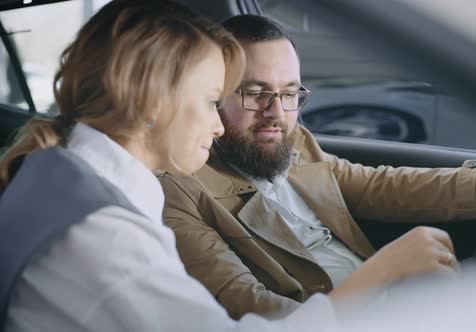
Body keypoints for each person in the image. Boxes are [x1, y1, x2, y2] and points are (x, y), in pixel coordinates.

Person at [0, 1, 401, 331]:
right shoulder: (108, 237)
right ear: (153, 101)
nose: (217, 124)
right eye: (212, 101)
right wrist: (376, 279)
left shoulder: (64, 177)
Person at [157, 14, 476, 319]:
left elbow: (383, 187)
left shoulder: (294, 141)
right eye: (254, 93)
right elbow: (254, 311)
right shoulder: (180, 193)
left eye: (289, 94)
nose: (276, 113)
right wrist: (385, 271)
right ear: (212, 96)